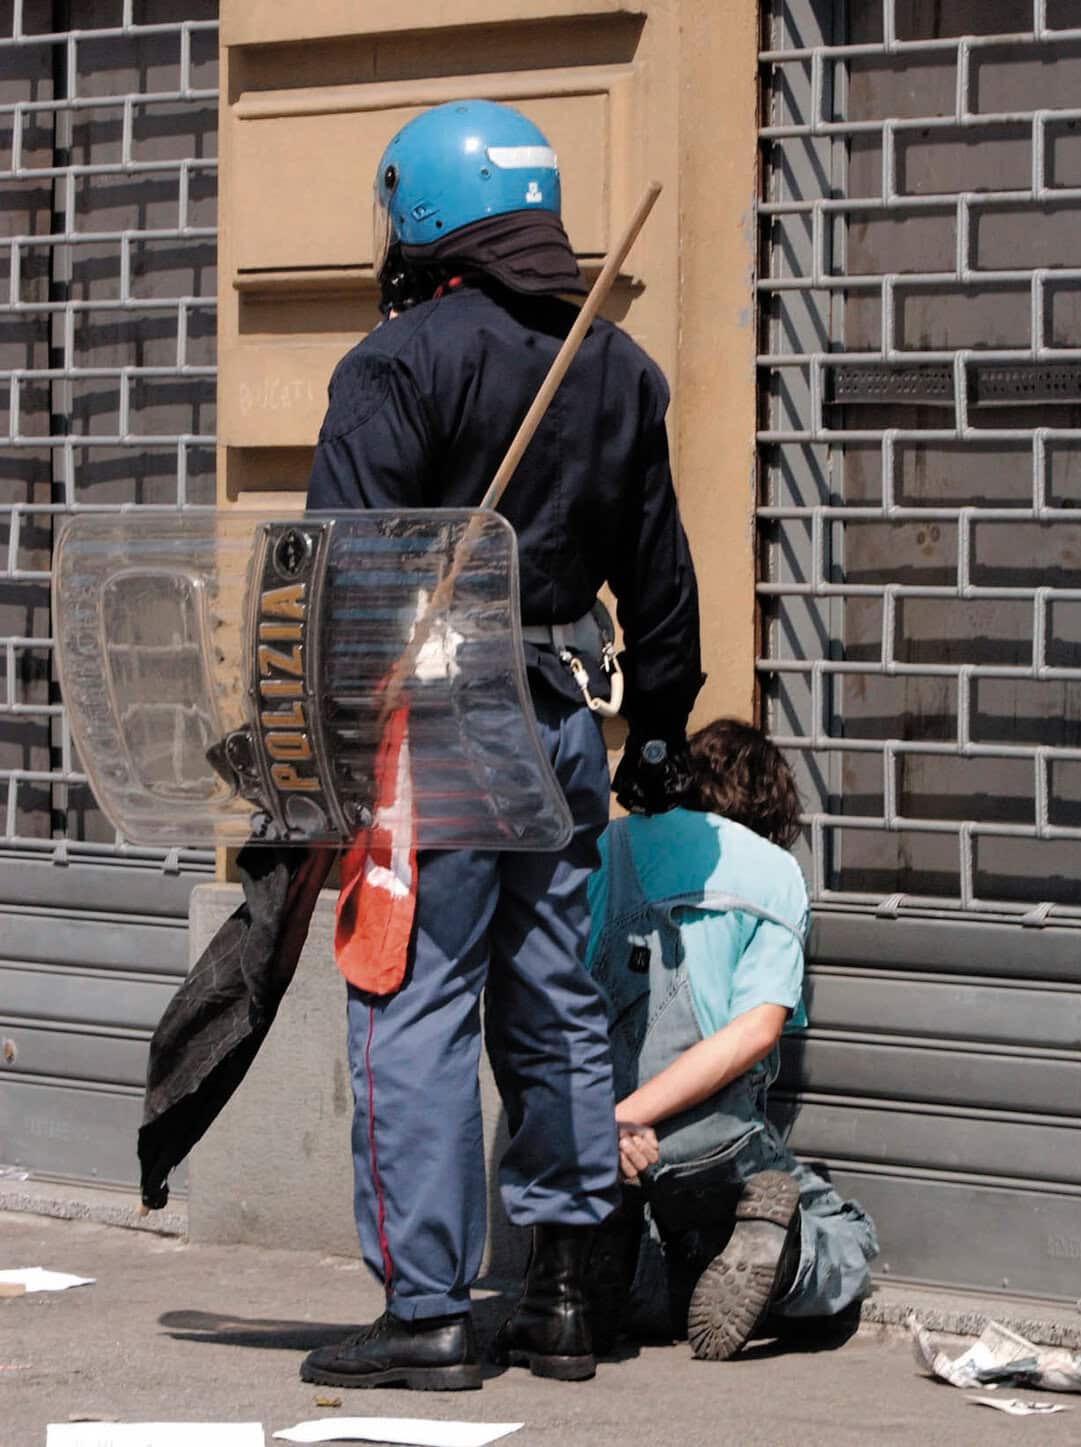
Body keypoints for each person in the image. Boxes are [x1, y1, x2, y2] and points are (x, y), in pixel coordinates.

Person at [297, 99, 702, 1391]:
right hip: (565, 718)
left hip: (438, 723)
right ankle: (566, 1296)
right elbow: (664, 581)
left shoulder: (397, 364)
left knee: (409, 995)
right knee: (553, 995)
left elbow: (342, 581)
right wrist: (660, 732)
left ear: (422, 210)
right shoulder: (615, 365)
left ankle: (425, 1308)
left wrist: (313, 748)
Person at [583, 719, 878, 1361]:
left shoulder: (607, 846)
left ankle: (612, 1272)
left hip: (597, 1138)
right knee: (847, 1237)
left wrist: (596, 1124)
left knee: (661, 1261)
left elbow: (554, 995)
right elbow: (755, 1031)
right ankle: (785, 1256)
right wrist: (630, 1117)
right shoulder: (773, 871)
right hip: (704, 1137)